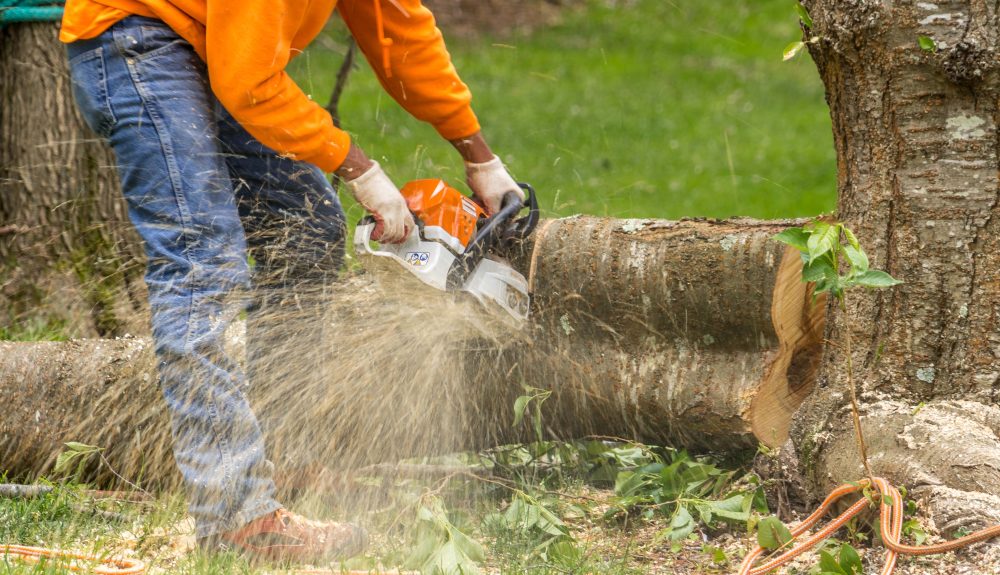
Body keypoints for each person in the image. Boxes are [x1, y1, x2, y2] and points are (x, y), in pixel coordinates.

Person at [59, 0, 525, 563]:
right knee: (201, 259)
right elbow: (250, 84)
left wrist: (477, 154)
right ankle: (237, 517)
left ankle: (285, 459)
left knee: (304, 226)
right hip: (140, 40)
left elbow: (398, 31)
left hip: (217, 49)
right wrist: (361, 169)